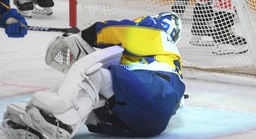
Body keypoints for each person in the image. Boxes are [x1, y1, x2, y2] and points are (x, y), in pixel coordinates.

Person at [1, 12, 185, 138]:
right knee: (99, 96)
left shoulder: (157, 35)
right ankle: (37, 127)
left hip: (150, 91)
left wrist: (86, 33)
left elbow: (113, 31)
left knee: (94, 76)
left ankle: (60, 124)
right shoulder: (169, 58)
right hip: (151, 125)